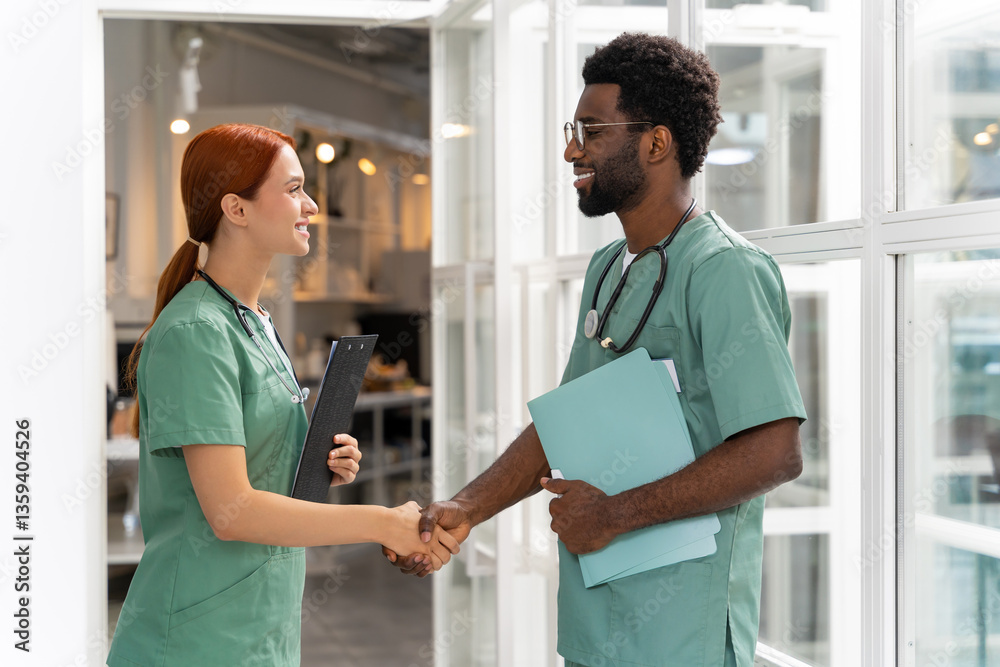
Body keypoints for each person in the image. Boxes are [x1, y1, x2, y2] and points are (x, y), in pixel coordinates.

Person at [385, 33, 807, 667]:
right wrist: (466, 508)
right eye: (572, 129)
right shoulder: (610, 267)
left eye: (592, 131)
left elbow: (775, 452)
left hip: (680, 635)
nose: (570, 150)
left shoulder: (724, 270)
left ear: (656, 142)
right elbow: (565, 422)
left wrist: (614, 513)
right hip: (598, 622)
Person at [106, 123, 459, 667]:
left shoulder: (256, 322)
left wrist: (315, 461)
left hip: (261, 624)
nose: (312, 205)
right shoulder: (196, 331)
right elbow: (230, 510)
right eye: (293, 189)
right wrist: (381, 522)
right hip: (195, 638)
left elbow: (252, 466)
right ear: (236, 209)